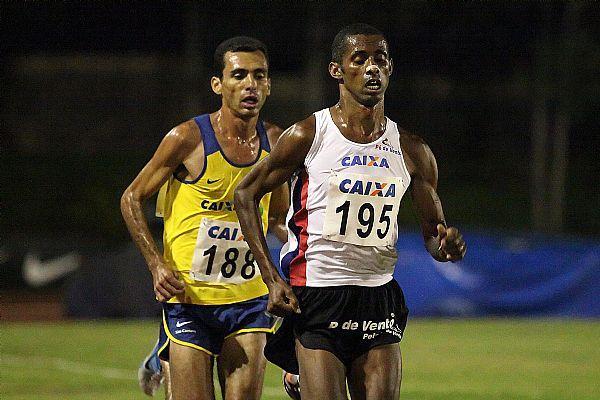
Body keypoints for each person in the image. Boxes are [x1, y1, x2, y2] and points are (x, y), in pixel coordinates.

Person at [234, 23, 466, 400]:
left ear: (390, 68)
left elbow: (432, 235)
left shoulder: (412, 150)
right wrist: (272, 279)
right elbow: (245, 194)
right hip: (317, 294)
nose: (372, 67)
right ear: (337, 71)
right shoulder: (310, 134)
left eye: (381, 59)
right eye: (359, 59)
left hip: (377, 294)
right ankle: (301, 375)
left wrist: (447, 246)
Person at [121, 36, 290, 400]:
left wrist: (299, 262)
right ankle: (164, 352)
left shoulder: (276, 142)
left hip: (249, 299)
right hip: (189, 299)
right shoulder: (187, 138)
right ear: (218, 84)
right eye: (239, 75)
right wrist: (155, 265)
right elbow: (131, 197)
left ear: (269, 85)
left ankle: (163, 355)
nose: (250, 85)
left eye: (259, 76)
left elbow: (278, 218)